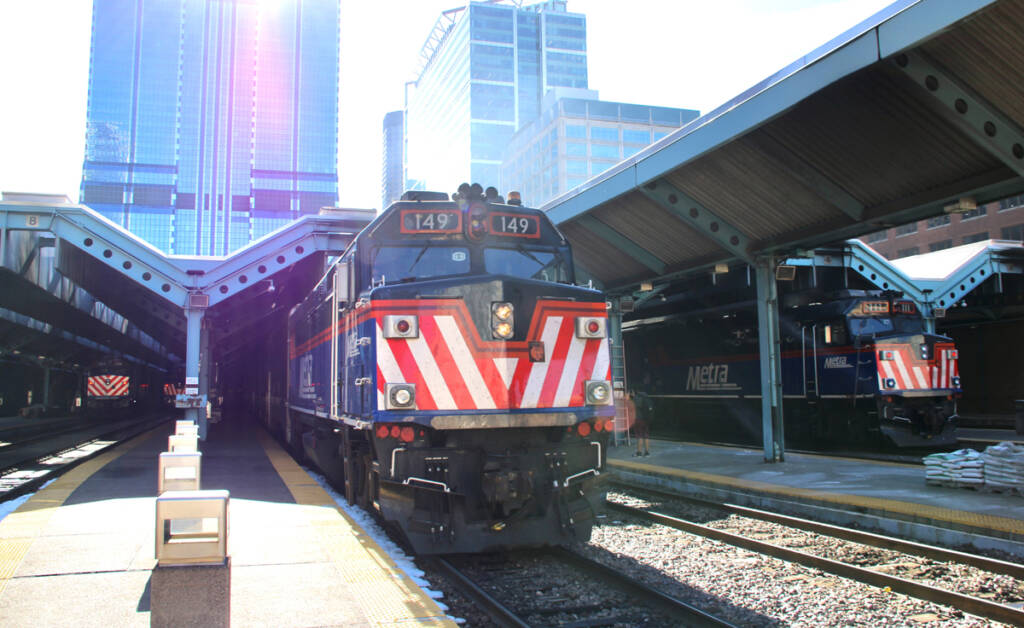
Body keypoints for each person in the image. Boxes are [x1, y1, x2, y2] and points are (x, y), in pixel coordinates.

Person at [628, 390, 650, 456]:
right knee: (646, 435)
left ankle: (639, 453)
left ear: (633, 392)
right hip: (646, 419)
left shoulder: (635, 399)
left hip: (638, 419)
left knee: (639, 436)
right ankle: (647, 452)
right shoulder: (645, 397)